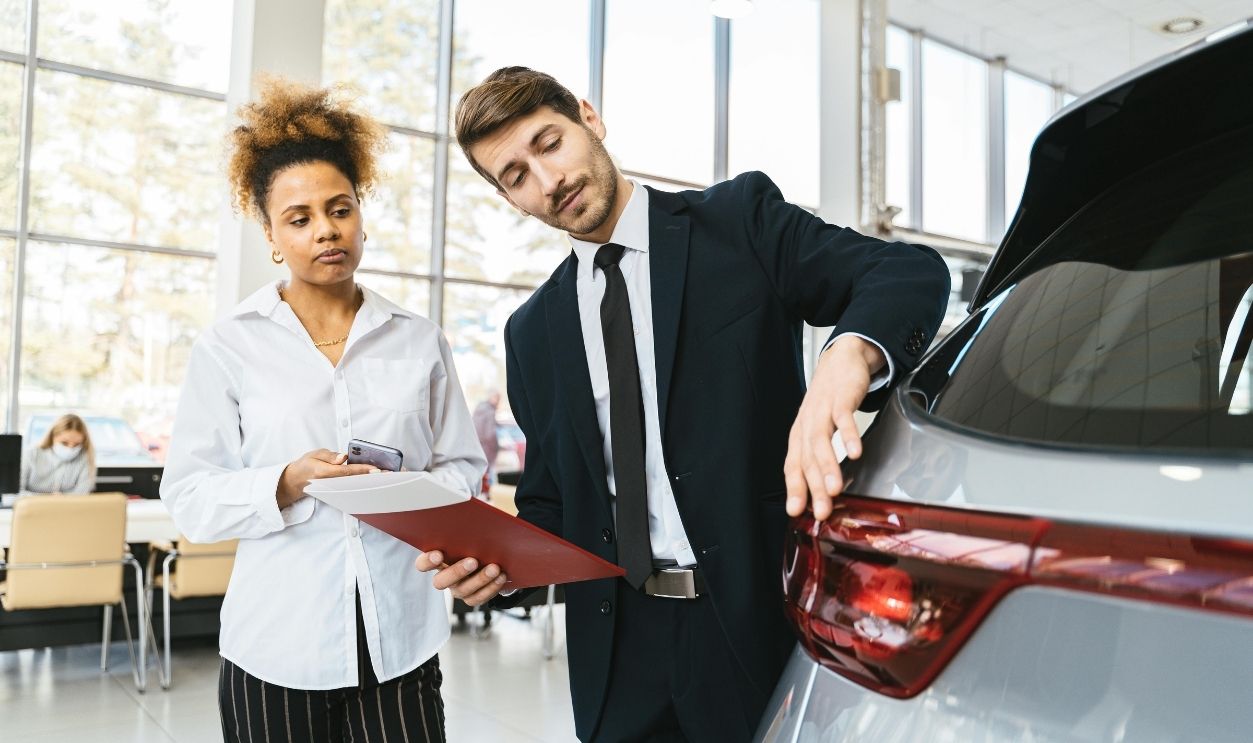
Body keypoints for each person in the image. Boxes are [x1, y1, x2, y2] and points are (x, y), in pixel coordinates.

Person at [417, 67, 951, 742]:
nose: (547, 181)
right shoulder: (532, 331)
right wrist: (500, 571)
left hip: (752, 625)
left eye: (548, 143)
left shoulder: (737, 223)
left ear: (589, 117)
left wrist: (842, 362)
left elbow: (906, 271)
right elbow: (555, 507)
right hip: (618, 652)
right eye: (515, 176)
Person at [161, 79, 485, 743]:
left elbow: (462, 467)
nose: (326, 230)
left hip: (400, 640)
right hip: (278, 645)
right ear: (272, 234)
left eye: (339, 209)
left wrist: (406, 493)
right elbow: (190, 496)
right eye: (300, 218)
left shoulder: (418, 338)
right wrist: (287, 480)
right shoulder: (228, 345)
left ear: (361, 214)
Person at [20, 413, 96, 494]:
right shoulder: (31, 455)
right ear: (53, 437)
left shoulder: (85, 459)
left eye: (77, 444)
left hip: (68, 506)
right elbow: (15, 493)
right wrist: (47, 500)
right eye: (64, 443)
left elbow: (82, 495)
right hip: (31, 506)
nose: (70, 448)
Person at [472, 390, 501, 486]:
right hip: (487, 449)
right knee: (489, 476)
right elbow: (490, 434)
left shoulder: (478, 409)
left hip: (476, 446)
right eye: (498, 398)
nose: (498, 402)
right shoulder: (490, 411)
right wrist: (497, 447)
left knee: (478, 474)